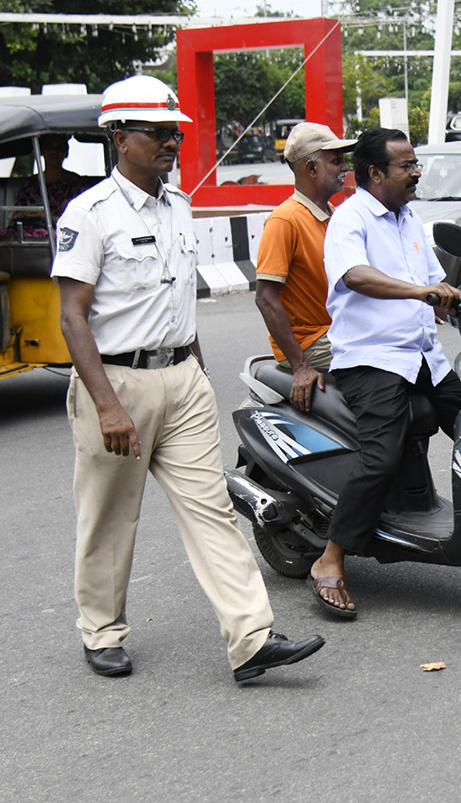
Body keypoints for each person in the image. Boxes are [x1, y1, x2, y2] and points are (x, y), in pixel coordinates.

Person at [51, 75, 324, 681]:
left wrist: (194, 366)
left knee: (213, 511)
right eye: (158, 132)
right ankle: (101, 631)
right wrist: (107, 406)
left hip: (182, 380)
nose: (172, 141)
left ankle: (251, 638)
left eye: (174, 131)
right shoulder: (89, 215)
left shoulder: (179, 206)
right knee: (109, 516)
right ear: (120, 138)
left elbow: (176, 300)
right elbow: (73, 318)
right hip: (118, 387)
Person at [308, 127, 461, 618]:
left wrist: (456, 297)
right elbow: (355, 275)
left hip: (423, 355)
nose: (416, 172)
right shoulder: (350, 219)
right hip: (372, 358)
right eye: (407, 165)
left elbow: (428, 282)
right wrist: (420, 292)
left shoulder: (409, 219)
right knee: (379, 456)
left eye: (415, 163)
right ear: (376, 173)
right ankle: (330, 557)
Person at [254, 122, 356, 412]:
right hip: (313, 340)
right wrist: (301, 366)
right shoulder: (285, 220)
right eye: (336, 161)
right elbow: (265, 298)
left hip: (337, 331)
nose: (344, 168)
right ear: (311, 168)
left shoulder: (334, 215)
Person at [3, 134, 92, 238]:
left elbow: (82, 217)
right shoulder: (30, 183)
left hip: (62, 232)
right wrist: (27, 214)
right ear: (42, 151)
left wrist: (49, 217)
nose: (54, 151)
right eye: (49, 147)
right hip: (28, 230)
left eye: (59, 148)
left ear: (66, 153)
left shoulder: (77, 184)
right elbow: (16, 213)